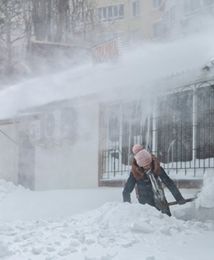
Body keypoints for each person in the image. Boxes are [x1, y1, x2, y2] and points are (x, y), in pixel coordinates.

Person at [122, 144, 186, 216]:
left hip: (160, 199)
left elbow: (169, 183)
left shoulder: (156, 167)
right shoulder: (135, 173)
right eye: (144, 165)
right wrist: (127, 208)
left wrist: (179, 198)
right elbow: (126, 191)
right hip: (145, 204)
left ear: (151, 161)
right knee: (151, 223)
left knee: (167, 219)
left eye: (148, 164)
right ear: (140, 165)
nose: (147, 167)